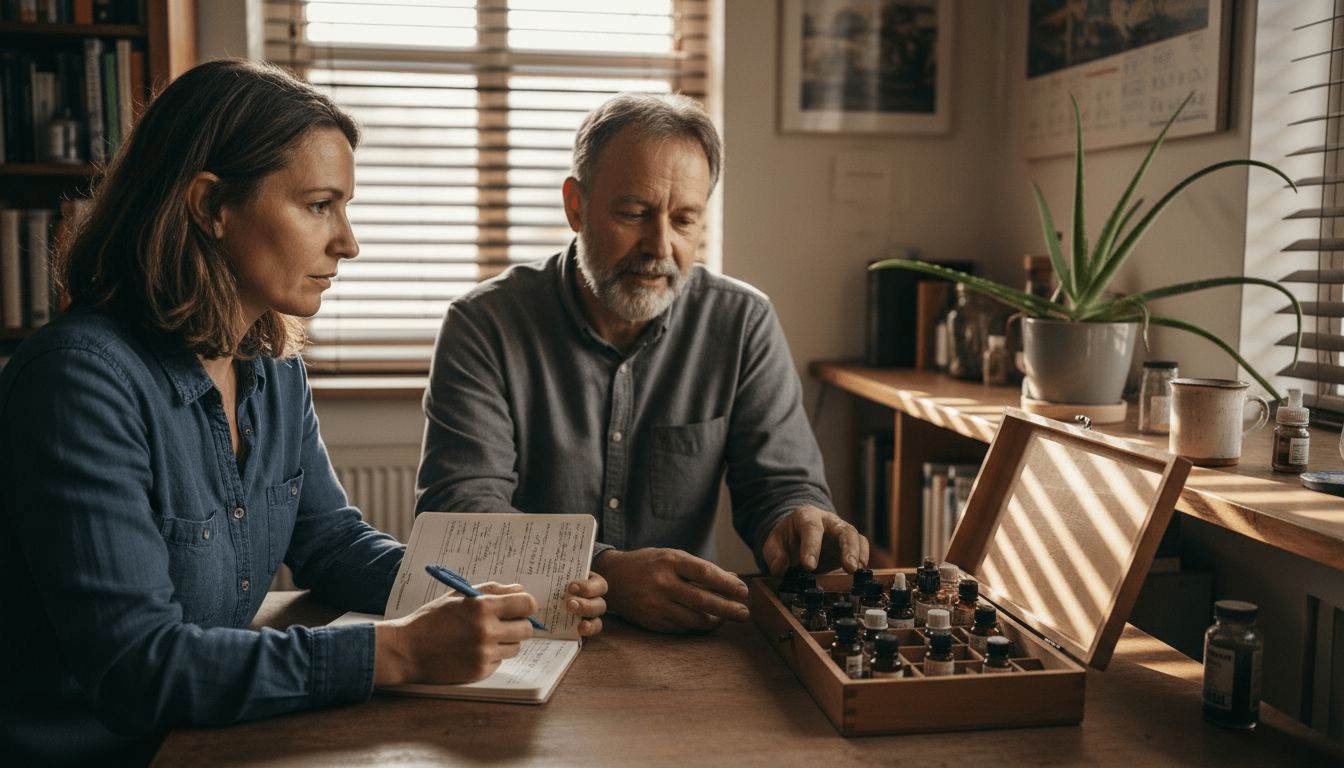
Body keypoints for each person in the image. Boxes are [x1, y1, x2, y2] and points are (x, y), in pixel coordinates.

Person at [0, 58, 606, 767]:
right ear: (209, 206)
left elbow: (331, 545)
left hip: (216, 739)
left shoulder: (272, 366)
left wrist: (509, 596)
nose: (347, 241)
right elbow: (139, 669)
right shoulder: (79, 383)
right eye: (319, 205)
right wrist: (400, 652)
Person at [416, 92, 868, 634]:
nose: (660, 245)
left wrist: (798, 520)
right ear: (575, 206)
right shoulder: (483, 324)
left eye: (684, 220)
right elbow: (460, 512)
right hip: (530, 631)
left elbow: (780, 486)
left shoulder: (742, 322)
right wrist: (603, 569)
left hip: (685, 640)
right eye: (635, 213)